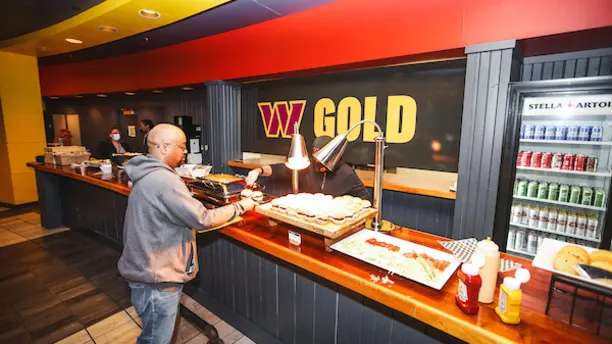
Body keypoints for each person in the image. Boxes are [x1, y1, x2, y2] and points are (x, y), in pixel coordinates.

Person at [118, 124, 255, 344]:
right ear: (163, 147)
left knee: (154, 333)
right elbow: (202, 219)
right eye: (181, 147)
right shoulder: (164, 180)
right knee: (155, 339)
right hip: (156, 277)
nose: (185, 152)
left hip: (146, 269)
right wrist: (242, 206)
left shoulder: (146, 173)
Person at [245, 136, 369, 199]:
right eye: (317, 159)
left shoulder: (346, 173)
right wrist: (258, 170)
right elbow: (279, 170)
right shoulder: (305, 165)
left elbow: (365, 201)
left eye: (324, 160)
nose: (320, 165)